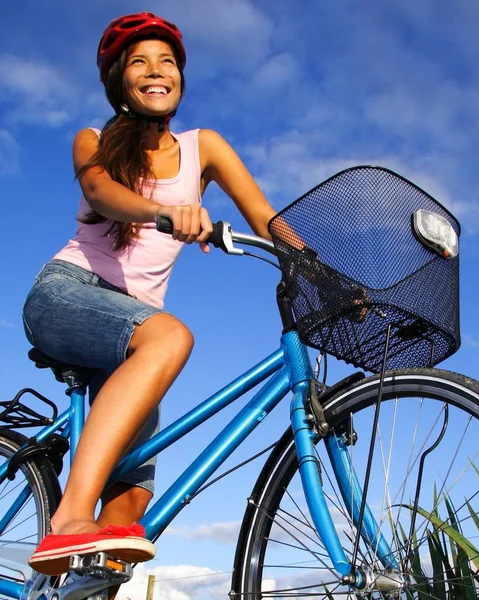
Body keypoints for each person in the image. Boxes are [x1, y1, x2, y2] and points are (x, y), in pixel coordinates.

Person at [23, 12, 277, 576]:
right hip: (67, 295)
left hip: (132, 327)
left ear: (181, 79)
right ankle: (68, 519)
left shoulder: (202, 146)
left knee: (130, 510)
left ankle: (82, 577)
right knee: (171, 338)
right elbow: (102, 192)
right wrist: (165, 213)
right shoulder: (92, 141)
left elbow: (264, 216)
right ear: (119, 81)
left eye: (167, 61)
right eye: (139, 61)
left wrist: (320, 265)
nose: (156, 71)